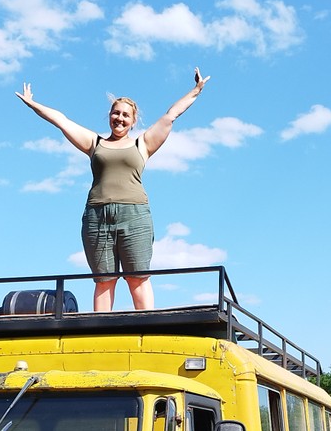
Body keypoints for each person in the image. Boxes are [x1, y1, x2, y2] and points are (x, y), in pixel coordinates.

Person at [16, 69, 210, 311]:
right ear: (109, 115)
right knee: (104, 281)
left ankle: (146, 330)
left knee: (137, 278)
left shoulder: (143, 144)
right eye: (116, 113)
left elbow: (171, 115)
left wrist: (196, 90)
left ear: (133, 120)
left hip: (135, 216)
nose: (120, 118)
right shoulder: (94, 143)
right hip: (97, 217)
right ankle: (101, 331)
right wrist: (33, 104)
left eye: (125, 115)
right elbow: (61, 121)